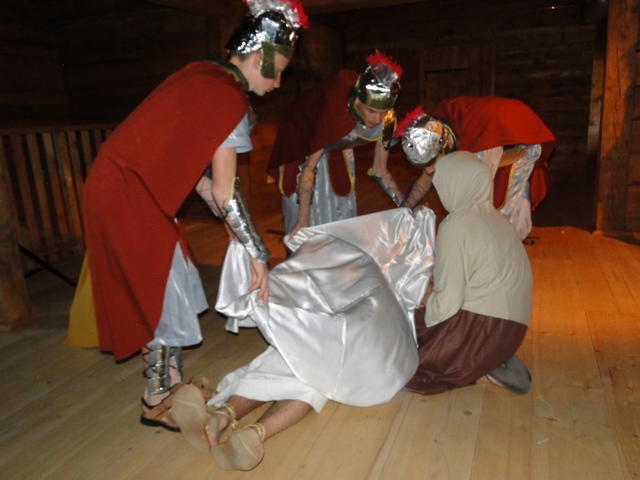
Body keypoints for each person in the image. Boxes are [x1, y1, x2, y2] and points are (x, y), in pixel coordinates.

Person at [81, 0, 308, 432]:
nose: (278, 82)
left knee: (175, 280)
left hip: (122, 187)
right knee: (162, 290)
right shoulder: (227, 96)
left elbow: (204, 184)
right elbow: (225, 189)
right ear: (257, 57)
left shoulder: (204, 75)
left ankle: (169, 383)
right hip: (129, 194)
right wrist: (258, 254)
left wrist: (233, 231)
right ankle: (157, 399)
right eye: (276, 70)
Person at [172, 206, 437, 471]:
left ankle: (223, 417)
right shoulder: (393, 288)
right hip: (349, 339)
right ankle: (252, 432)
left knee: (300, 367)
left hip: (344, 336)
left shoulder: (379, 277)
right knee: (303, 367)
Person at [394, 109, 533, 396]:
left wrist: (416, 319)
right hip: (513, 331)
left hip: (483, 328)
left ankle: (477, 363)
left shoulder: (457, 224)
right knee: (421, 320)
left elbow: (446, 304)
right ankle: (491, 360)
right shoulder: (499, 222)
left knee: (401, 346)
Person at [267, 51, 404, 237]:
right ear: (358, 100)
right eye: (371, 111)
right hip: (301, 143)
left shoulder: (386, 121)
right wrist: (303, 220)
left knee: (340, 211)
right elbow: (309, 169)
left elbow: (380, 170)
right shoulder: (333, 113)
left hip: (338, 145)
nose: (376, 119)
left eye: (383, 112)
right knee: (310, 221)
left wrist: (405, 205)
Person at [430, 96, 557, 239]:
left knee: (478, 184)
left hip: (497, 124)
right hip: (514, 121)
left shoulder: (445, 119)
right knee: (508, 185)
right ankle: (507, 230)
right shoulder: (449, 113)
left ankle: (498, 230)